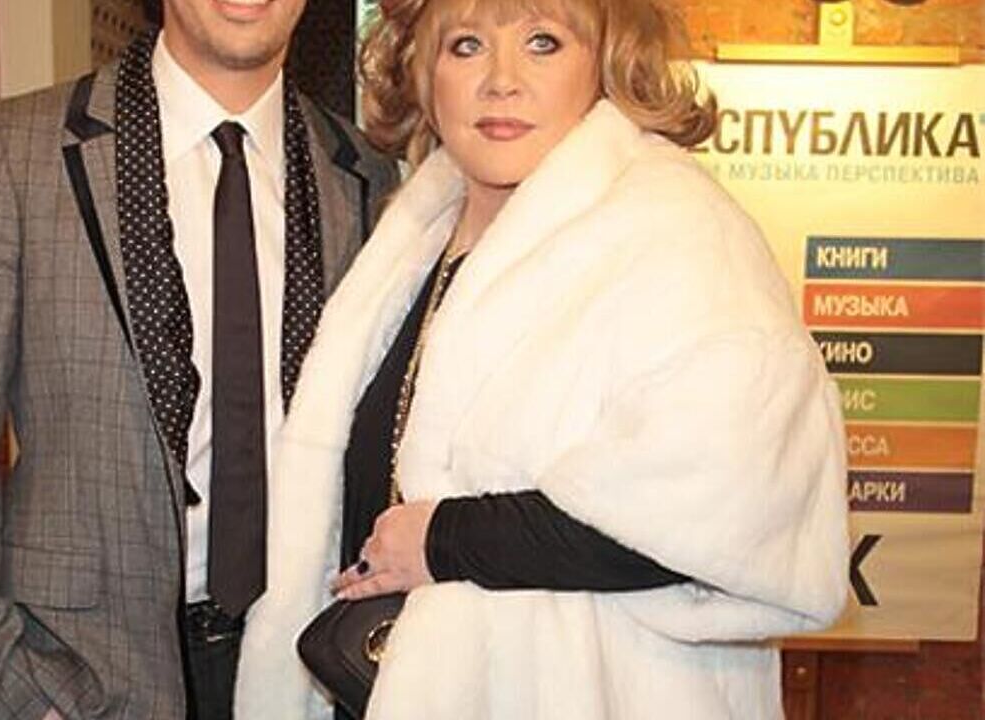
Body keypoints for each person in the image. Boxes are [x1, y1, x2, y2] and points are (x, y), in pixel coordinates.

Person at [234, 0, 851, 717]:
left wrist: (445, 538)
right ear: (425, 73)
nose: (502, 80)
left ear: (604, 63)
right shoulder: (412, 244)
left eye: (542, 42)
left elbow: (735, 508)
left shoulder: (677, 231)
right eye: (466, 46)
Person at [0, 0, 399, 717]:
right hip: (83, 674)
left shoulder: (365, 177)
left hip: (304, 673)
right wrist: (11, 696)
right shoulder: (20, 152)